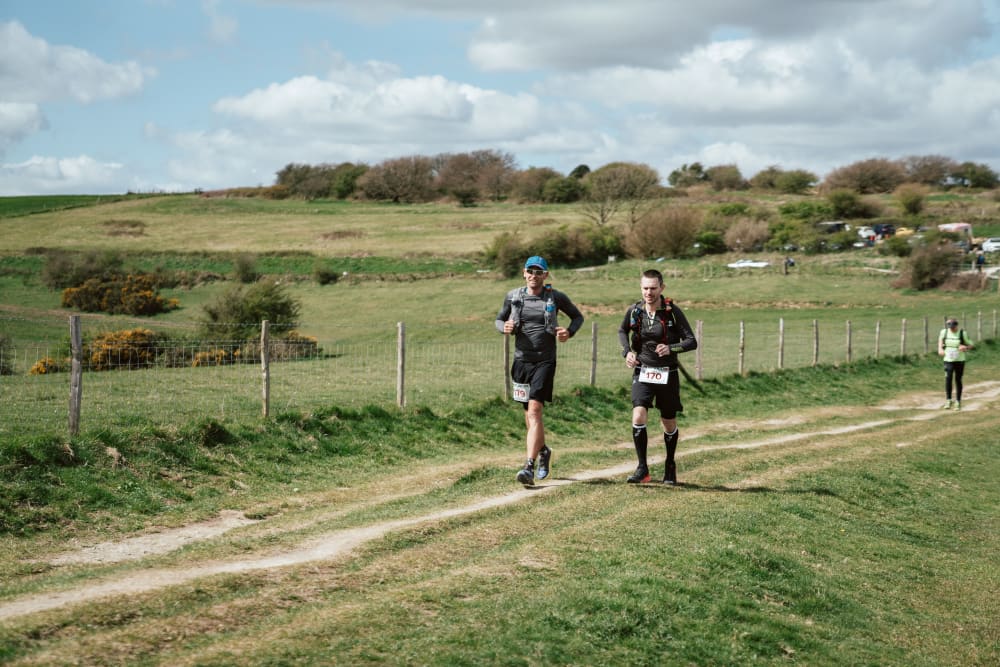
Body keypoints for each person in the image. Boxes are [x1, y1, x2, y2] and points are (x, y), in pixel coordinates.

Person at [496, 255, 584, 485]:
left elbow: (577, 317)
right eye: (530, 271)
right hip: (521, 361)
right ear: (524, 273)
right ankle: (543, 450)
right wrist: (504, 327)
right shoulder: (513, 296)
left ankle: (528, 466)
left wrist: (568, 332)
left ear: (545, 275)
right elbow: (498, 320)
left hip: (545, 360)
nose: (534, 276)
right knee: (529, 413)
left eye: (538, 272)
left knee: (535, 410)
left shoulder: (555, 297)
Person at [617, 269, 697, 484]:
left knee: (668, 422)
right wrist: (627, 352)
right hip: (643, 370)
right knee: (638, 415)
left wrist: (671, 348)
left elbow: (691, 341)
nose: (649, 293)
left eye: (653, 288)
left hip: (667, 373)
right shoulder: (635, 311)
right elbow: (622, 331)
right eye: (645, 288)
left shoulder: (672, 312)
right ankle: (642, 468)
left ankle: (670, 465)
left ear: (662, 288)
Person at [938, 317, 973, 410]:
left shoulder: (962, 333)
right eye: (950, 327)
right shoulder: (944, 332)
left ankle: (958, 401)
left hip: (959, 360)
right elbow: (940, 340)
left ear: (957, 325)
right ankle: (948, 400)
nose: (952, 329)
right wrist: (940, 349)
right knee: (948, 378)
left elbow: (971, 344)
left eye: (953, 327)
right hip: (948, 360)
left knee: (958, 379)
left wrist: (965, 347)